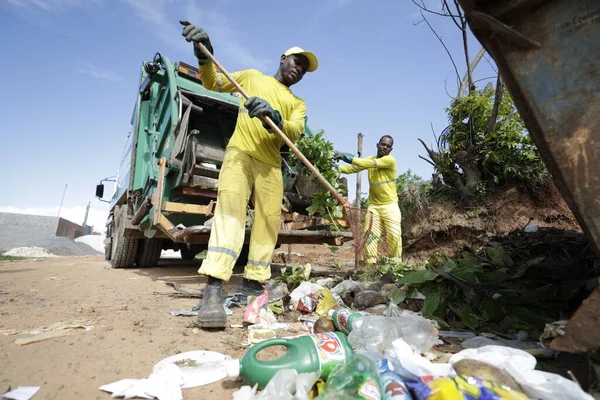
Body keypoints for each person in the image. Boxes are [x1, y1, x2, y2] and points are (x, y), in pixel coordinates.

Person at [180, 21, 319, 329]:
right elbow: (212, 82)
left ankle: (254, 284)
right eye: (297, 62)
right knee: (229, 214)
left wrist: (275, 115)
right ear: (283, 58)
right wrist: (205, 56)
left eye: (304, 69)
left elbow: (294, 132)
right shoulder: (252, 77)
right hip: (240, 153)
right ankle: (213, 288)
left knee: (268, 223)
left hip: (270, 164)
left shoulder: (298, 103)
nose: (299, 69)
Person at [335, 135, 402, 264]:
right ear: (377, 145)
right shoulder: (370, 159)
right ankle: (370, 265)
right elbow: (352, 169)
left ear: (391, 149)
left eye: (388, 146)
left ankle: (396, 264)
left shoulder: (390, 160)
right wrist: (335, 168)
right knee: (370, 235)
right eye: (383, 144)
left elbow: (366, 163)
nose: (385, 147)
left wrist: (345, 156)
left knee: (394, 235)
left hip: (390, 205)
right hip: (374, 206)